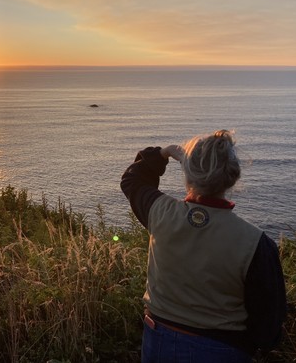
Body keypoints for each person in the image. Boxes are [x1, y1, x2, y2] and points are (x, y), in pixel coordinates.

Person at [121, 130, 286, 363]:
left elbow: (133, 179)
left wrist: (164, 153)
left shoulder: (160, 213)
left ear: (187, 171)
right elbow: (268, 321)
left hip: (158, 339)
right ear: (233, 177)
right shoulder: (255, 242)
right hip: (223, 348)